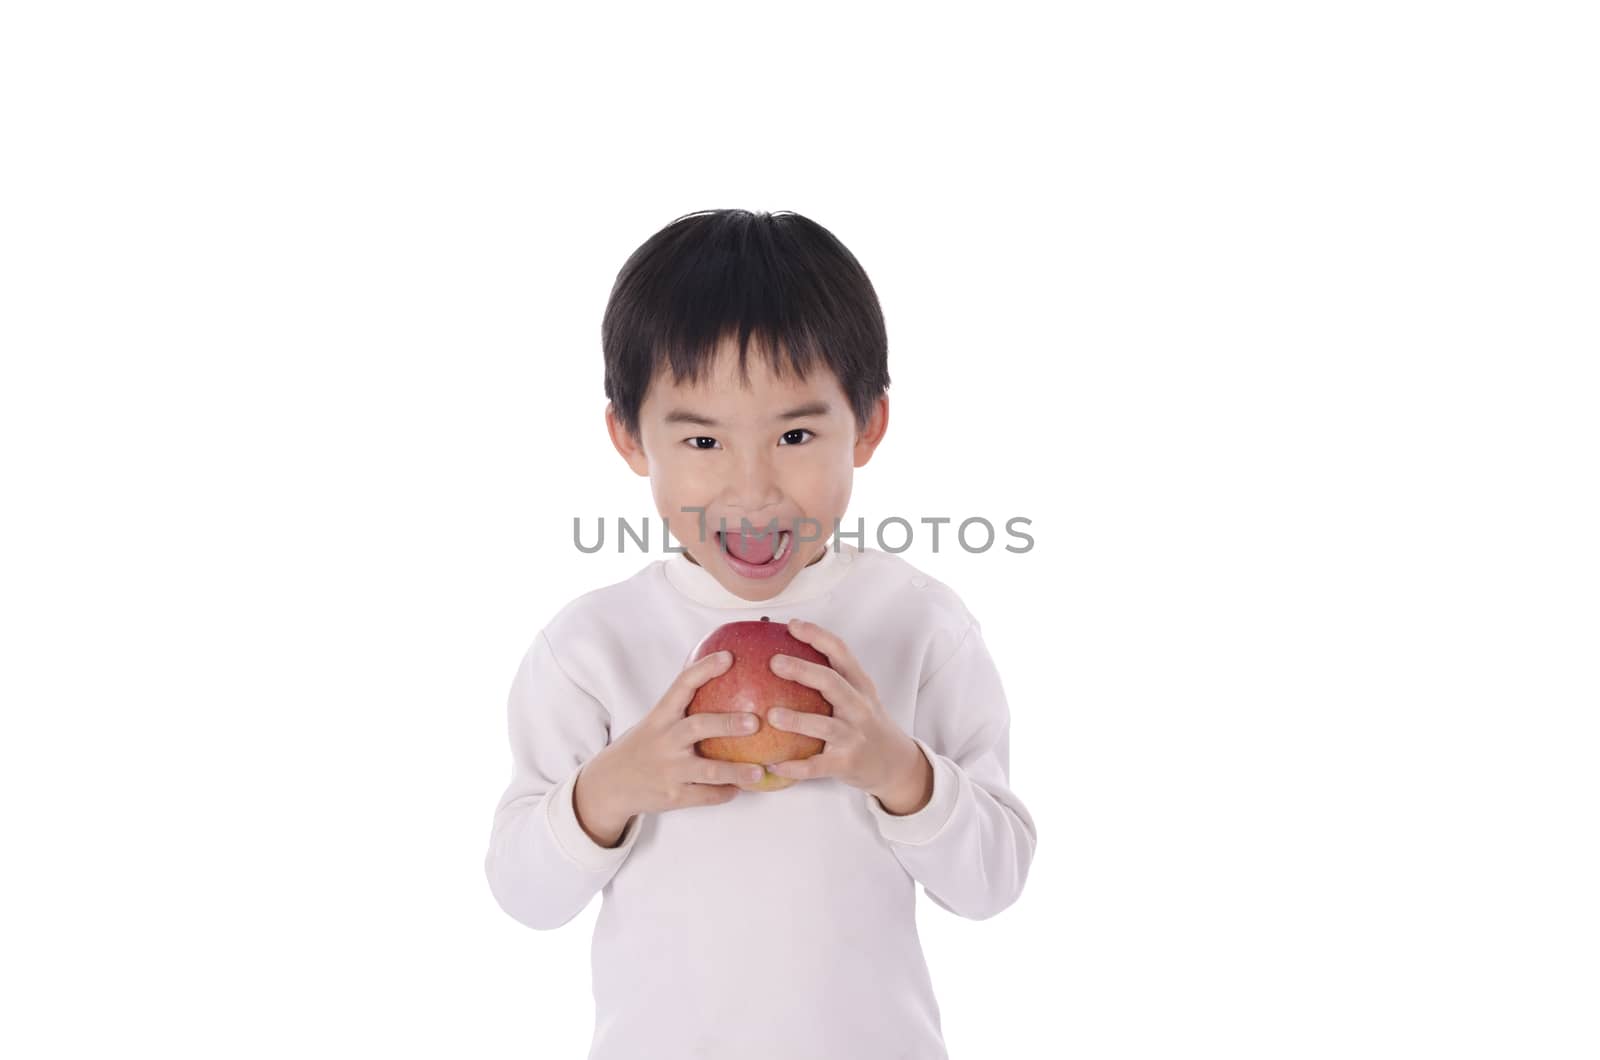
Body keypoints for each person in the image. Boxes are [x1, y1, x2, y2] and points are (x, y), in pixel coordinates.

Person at [483, 208, 1038, 1060]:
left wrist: (899, 770)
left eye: (796, 434)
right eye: (702, 437)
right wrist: (610, 789)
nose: (752, 487)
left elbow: (995, 882)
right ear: (630, 439)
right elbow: (524, 894)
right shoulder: (593, 646)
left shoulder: (921, 624)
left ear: (868, 427)